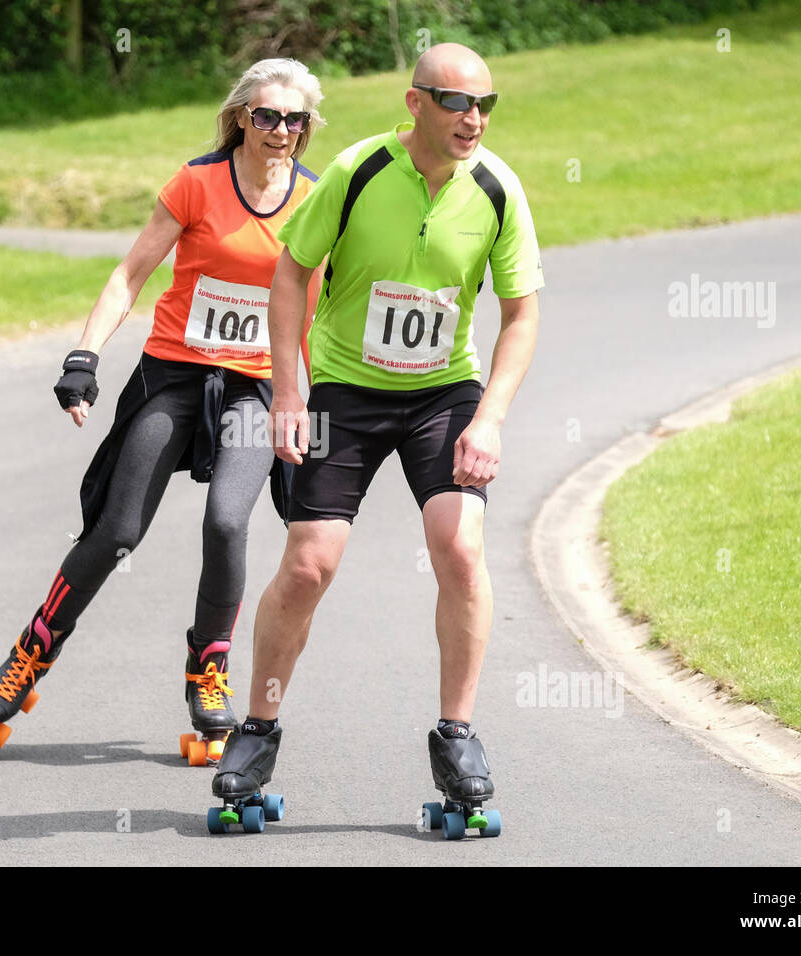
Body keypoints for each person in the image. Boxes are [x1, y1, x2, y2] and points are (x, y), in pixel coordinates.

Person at [211, 43, 543, 832]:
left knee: (459, 546)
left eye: (486, 105)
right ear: (416, 102)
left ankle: (458, 734)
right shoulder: (358, 170)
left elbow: (521, 311)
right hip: (347, 390)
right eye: (458, 102)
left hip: (443, 393)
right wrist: (288, 391)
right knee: (308, 564)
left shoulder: (497, 187)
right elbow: (290, 271)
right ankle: (257, 731)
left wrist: (489, 417)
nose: (475, 119)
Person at [0, 59, 325, 763]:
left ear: (307, 129)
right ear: (241, 118)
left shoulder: (315, 201)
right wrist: (83, 358)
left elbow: (319, 313)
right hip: (175, 375)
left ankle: (208, 670)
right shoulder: (197, 183)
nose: (280, 130)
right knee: (116, 530)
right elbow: (130, 276)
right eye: (267, 116)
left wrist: (316, 399)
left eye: (295, 119)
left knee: (226, 523)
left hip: (251, 387)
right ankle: (30, 655)